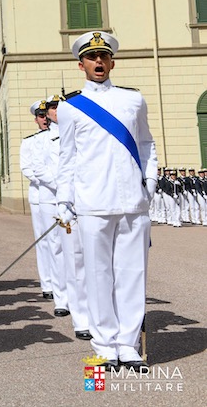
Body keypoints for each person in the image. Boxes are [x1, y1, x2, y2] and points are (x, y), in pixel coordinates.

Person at [56, 31, 158, 370]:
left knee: (132, 274)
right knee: (98, 275)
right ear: (81, 64)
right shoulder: (70, 108)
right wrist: (63, 200)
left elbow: (146, 144)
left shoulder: (133, 100)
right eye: (91, 57)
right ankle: (104, 344)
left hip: (132, 200)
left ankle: (128, 345)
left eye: (103, 57)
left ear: (112, 61)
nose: (98, 62)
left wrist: (151, 181)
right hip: (93, 202)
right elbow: (67, 158)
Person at [36, 94, 91, 340]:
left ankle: (97, 312)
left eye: (61, 107)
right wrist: (64, 189)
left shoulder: (88, 133)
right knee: (68, 255)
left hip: (91, 201)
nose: (58, 111)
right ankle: (76, 313)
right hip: (63, 200)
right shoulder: (43, 141)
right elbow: (39, 168)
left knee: (96, 261)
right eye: (54, 108)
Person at [20, 99, 58, 300]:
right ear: (36, 119)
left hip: (61, 195)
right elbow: (27, 168)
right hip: (40, 195)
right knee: (44, 240)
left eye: (47, 115)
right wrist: (49, 182)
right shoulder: (30, 141)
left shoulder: (61, 136)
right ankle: (48, 283)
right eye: (41, 116)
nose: (45, 120)